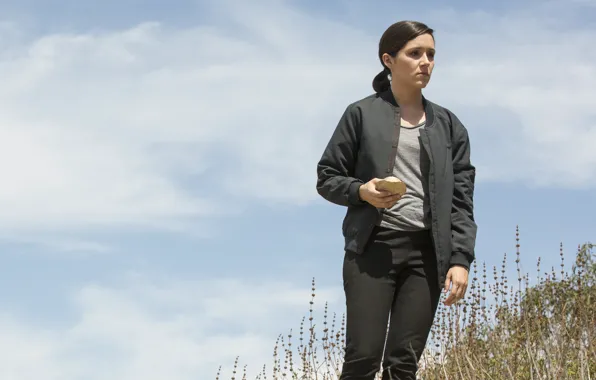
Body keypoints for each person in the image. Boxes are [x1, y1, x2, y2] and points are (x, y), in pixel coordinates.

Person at [315, 20, 477, 379]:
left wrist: (460, 258)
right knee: (363, 358)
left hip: (427, 256)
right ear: (388, 60)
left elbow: (462, 202)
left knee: (403, 364)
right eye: (415, 53)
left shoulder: (450, 127)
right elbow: (327, 178)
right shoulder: (360, 114)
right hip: (373, 249)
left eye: (431, 55)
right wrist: (362, 191)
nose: (426, 62)